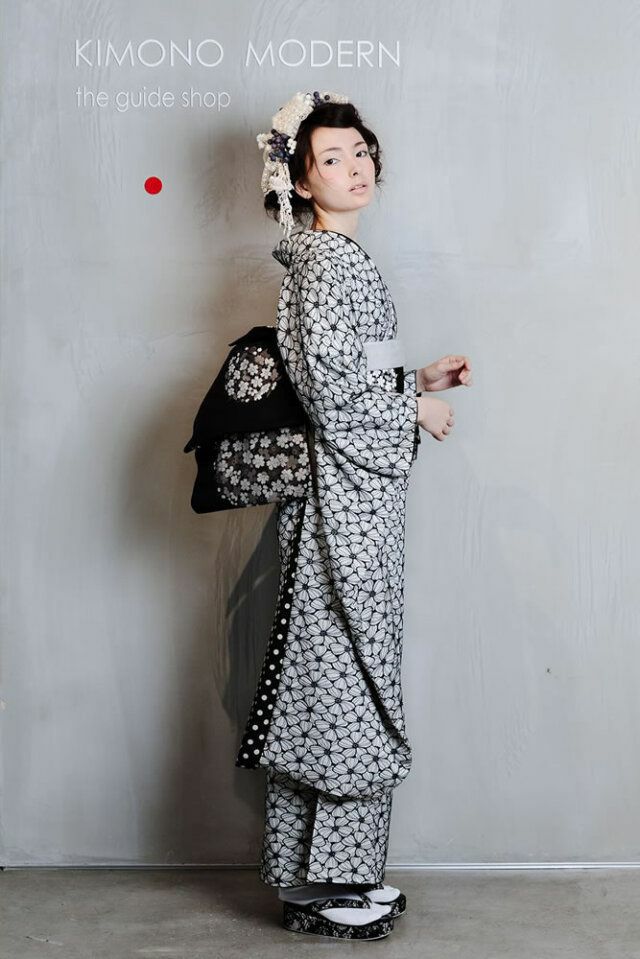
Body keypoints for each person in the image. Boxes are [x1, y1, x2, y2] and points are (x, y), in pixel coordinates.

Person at [238, 90, 473, 941]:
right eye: (332, 158)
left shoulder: (333, 259)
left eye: (361, 150)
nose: (355, 166)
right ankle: (333, 883)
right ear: (301, 181)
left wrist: (419, 381)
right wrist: (414, 409)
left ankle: (318, 878)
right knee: (346, 683)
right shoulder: (327, 263)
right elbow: (333, 399)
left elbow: (348, 375)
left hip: (350, 502)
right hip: (345, 512)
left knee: (329, 677)